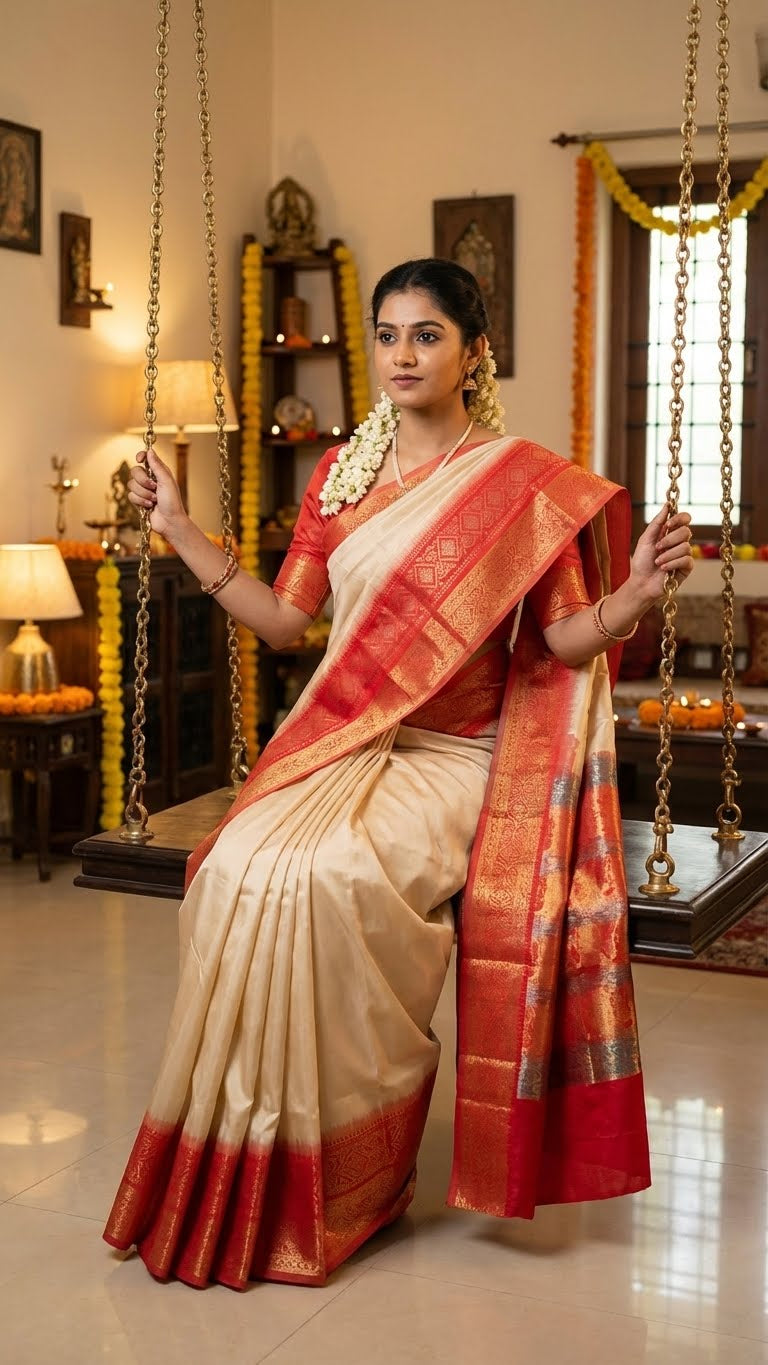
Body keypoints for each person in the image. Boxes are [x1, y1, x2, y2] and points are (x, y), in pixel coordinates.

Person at [104, 258, 694, 1290]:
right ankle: (247, 1153)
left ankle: (354, 1170)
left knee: (329, 876)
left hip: (459, 758)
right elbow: (286, 621)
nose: (403, 355)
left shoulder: (520, 484)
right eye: (387, 335)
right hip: (345, 740)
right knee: (236, 866)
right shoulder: (342, 478)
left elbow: (561, 640)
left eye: (427, 335)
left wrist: (636, 593)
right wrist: (180, 531)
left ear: (474, 353)